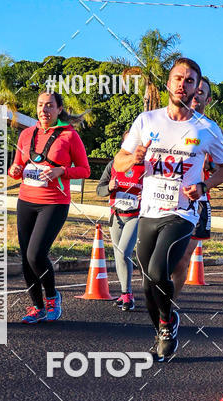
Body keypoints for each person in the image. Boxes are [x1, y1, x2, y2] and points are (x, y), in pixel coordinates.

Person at [114, 58, 223, 361]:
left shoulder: (206, 128)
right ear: (168, 84)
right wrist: (134, 159)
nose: (183, 84)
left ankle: (167, 326)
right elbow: (119, 162)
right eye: (178, 78)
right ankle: (163, 326)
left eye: (190, 80)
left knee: (159, 270)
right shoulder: (147, 120)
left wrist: (204, 186)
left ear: (196, 88)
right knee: (147, 282)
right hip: (149, 210)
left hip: (183, 212)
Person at [8, 91, 90, 323]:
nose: (44, 110)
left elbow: (85, 170)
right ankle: (37, 307)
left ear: (59, 109)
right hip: (26, 200)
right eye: (40, 105)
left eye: (49, 105)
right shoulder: (26, 134)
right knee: (26, 258)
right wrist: (14, 171)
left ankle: (53, 297)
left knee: (36, 254)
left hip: (54, 203)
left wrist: (61, 171)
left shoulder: (70, 136)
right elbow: (16, 167)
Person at [172, 75, 221, 297]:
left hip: (196, 202)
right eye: (195, 90)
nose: (196, 96)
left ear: (207, 100)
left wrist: (206, 180)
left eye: (201, 93)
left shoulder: (211, 131)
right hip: (164, 198)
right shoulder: (169, 123)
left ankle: (168, 305)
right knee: (160, 257)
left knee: (182, 259)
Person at [96, 132, 144, 310]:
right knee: (118, 255)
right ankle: (125, 293)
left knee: (124, 253)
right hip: (116, 215)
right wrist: (109, 187)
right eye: (129, 143)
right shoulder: (113, 165)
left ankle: (129, 294)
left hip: (135, 216)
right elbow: (99, 189)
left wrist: (146, 196)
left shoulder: (147, 167)